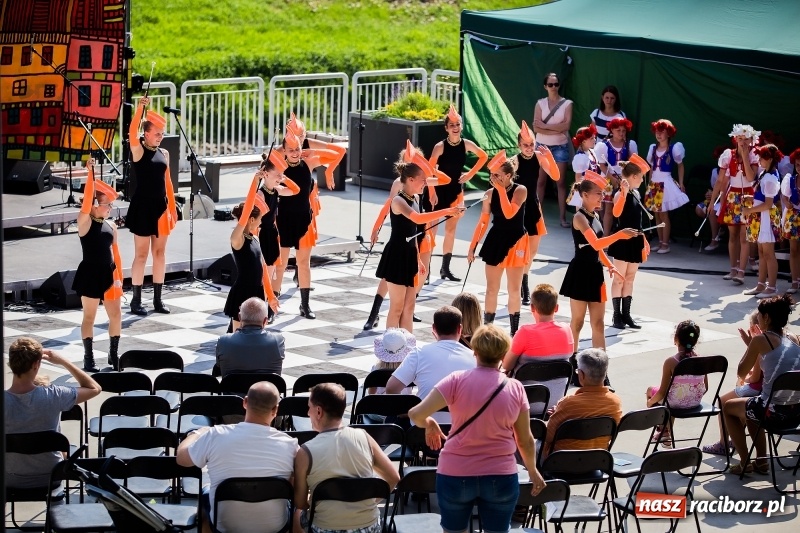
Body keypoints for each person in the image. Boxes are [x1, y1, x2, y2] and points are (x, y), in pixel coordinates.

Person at [408, 324, 546, 533]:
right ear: (503, 354)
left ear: (475, 351)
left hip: (456, 471)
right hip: (500, 474)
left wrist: (430, 423)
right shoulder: (516, 388)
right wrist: (533, 471)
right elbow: (525, 439)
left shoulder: (456, 380)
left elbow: (415, 414)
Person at [177, 382, 297, 533]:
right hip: (275, 528)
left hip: (225, 527)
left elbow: (181, 459)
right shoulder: (291, 445)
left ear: (245, 402)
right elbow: (296, 487)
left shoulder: (215, 435)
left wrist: (196, 433)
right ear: (275, 410)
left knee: (205, 494)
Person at [365, 143, 451, 330]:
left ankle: (407, 346)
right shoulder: (399, 199)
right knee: (396, 307)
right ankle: (390, 348)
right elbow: (417, 218)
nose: (425, 184)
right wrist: (448, 210)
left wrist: (427, 167)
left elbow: (415, 231)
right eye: (422, 180)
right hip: (396, 255)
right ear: (411, 179)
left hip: (410, 254)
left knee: (408, 307)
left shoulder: (415, 197)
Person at [293, 383, 400, 533]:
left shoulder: (305, 452)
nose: (307, 412)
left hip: (324, 528)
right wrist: (370, 502)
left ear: (318, 411)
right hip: (369, 528)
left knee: (297, 514)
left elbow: (300, 502)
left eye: (309, 407)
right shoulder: (365, 437)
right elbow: (393, 477)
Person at [5, 338, 102, 489]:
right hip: (52, 476)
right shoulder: (53, 395)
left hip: (10, 478)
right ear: (36, 364)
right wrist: (64, 362)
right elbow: (94, 388)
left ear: (11, 363)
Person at [559, 172, 637, 353]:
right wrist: (619, 235)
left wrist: (609, 265)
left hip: (595, 272)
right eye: (598, 193)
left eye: (602, 193)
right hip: (580, 272)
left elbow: (597, 249)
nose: (602, 197)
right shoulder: (579, 217)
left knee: (599, 323)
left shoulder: (595, 216)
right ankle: (571, 360)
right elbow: (594, 242)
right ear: (585, 195)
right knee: (577, 322)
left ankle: (600, 365)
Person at [723, 295, 800, 475]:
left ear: (766, 318)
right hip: (796, 414)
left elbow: (742, 372)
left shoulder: (761, 340)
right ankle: (761, 459)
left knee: (728, 407)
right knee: (752, 407)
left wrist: (751, 345)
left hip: (773, 412)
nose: (757, 318)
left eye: (759, 315)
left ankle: (744, 462)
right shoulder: (795, 339)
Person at [273, 131, 335, 319]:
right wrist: (280, 151)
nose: (294, 153)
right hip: (282, 219)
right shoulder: (278, 165)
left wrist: (309, 149)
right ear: (284, 150)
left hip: (304, 220)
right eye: (290, 149)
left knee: (304, 264)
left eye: (297, 149)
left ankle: (305, 305)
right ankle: (273, 305)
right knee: (280, 265)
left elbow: (336, 153)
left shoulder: (308, 162)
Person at [126, 97, 178, 316]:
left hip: (161, 208)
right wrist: (140, 109)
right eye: (156, 133)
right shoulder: (138, 151)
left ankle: (157, 299)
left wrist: (172, 209)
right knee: (141, 255)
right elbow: (130, 133)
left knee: (160, 253)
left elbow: (168, 183)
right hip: (142, 208)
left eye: (162, 133)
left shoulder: (163, 153)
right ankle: (136, 300)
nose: (160, 136)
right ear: (146, 133)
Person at [424, 104, 488, 282]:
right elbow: (428, 170)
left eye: (457, 124)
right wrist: (431, 191)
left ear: (461, 126)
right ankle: (426, 269)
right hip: (438, 189)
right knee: (432, 230)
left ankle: (445, 268)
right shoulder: (440, 147)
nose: (455, 127)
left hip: (455, 191)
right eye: (451, 125)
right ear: (446, 128)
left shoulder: (466, 144)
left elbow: (483, 156)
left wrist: (470, 174)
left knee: (451, 230)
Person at [468, 151, 529, 336]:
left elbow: (510, 213)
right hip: (496, 238)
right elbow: (483, 222)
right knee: (491, 288)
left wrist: (501, 190)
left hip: (516, 239)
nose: (493, 178)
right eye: (492, 174)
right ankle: (487, 328)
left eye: (497, 174)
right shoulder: (489, 193)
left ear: (509, 175)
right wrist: (472, 246)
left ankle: (514, 331)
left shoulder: (520, 190)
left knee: (513, 289)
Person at [72, 158, 123, 371]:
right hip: (90, 274)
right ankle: (88, 357)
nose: (111, 208)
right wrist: (90, 174)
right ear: (95, 205)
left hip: (109, 275)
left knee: (116, 315)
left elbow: (116, 253)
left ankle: (113, 352)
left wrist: (119, 277)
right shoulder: (85, 222)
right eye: (107, 205)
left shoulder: (111, 226)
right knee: (89, 317)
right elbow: (85, 204)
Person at [385, 306, 475, 424]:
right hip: (461, 432)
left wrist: (408, 411)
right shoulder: (475, 358)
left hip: (421, 431)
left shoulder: (419, 353)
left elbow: (391, 388)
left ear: (434, 329)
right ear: (460, 329)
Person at [502, 283, 574, 410]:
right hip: (555, 404)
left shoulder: (525, 332)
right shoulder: (567, 330)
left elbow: (506, 366)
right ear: (556, 308)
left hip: (523, 405)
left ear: (532, 308)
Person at [542, 348, 623, 458]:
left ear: (581, 374)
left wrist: (558, 415)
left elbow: (547, 437)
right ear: (605, 373)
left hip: (562, 461)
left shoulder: (568, 403)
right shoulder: (615, 402)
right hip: (597, 460)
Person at [223, 176, 279, 332]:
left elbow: (263, 270)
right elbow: (246, 211)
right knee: (236, 335)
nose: (261, 222)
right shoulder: (237, 239)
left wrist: (270, 295)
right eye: (260, 219)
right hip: (242, 292)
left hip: (257, 292)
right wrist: (255, 182)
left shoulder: (255, 238)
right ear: (251, 219)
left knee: (255, 333)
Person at [703, 310, 763, 457]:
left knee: (723, 401)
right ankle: (735, 439)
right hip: (769, 390)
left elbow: (753, 377)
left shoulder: (761, 343)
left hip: (758, 390)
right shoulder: (775, 340)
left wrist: (751, 347)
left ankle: (724, 443)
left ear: (755, 327)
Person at [645, 321, 707, 448]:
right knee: (675, 394)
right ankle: (665, 433)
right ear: (695, 341)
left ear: (675, 339)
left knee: (652, 390)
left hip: (674, 403)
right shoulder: (702, 360)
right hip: (695, 401)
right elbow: (706, 387)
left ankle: (663, 431)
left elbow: (662, 392)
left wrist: (650, 402)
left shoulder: (671, 362)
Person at [712, 124, 760, 285]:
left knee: (744, 236)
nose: (743, 142)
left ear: (752, 140)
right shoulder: (728, 155)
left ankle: (741, 272)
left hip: (747, 196)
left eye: (746, 139)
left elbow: (751, 177)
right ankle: (733, 268)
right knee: (732, 235)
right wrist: (715, 200)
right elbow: (722, 180)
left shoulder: (754, 155)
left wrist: (745, 156)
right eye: (740, 139)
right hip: (733, 197)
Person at [256, 150, 300, 322]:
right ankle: (260, 309)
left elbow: (296, 190)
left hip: (273, 234)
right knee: (263, 276)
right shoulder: (260, 194)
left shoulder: (276, 190)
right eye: (277, 174)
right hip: (263, 235)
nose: (280, 178)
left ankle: (267, 309)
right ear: (266, 174)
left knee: (270, 273)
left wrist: (284, 177)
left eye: (281, 175)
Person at [608, 161, 649, 330]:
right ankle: (616, 315)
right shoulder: (620, 194)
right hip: (623, 239)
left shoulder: (637, 193)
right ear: (633, 177)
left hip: (635, 238)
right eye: (640, 178)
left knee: (630, 278)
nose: (641, 181)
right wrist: (623, 193)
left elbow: (638, 220)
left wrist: (644, 238)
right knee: (619, 278)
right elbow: (616, 213)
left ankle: (627, 314)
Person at [742, 144, 783, 298]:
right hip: (760, 218)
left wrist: (749, 210)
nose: (759, 160)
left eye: (762, 157)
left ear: (771, 159)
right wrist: (751, 198)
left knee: (768, 253)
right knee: (761, 252)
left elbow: (768, 204)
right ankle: (761, 285)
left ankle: (772, 287)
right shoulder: (765, 174)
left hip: (766, 218)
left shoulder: (771, 177)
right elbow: (762, 198)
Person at [644, 119, 689, 254]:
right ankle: (660, 241)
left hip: (665, 183)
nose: (659, 134)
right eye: (657, 131)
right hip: (655, 183)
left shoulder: (673, 148)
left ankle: (665, 243)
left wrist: (681, 183)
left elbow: (680, 165)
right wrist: (649, 183)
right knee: (656, 214)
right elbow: (651, 167)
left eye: (662, 132)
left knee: (664, 215)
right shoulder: (653, 148)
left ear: (668, 134)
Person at [534, 72, 572, 227]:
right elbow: (536, 127)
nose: (554, 87)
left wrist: (546, 127)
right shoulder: (540, 103)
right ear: (545, 87)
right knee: (541, 181)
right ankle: (536, 217)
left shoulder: (567, 104)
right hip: (542, 146)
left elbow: (566, 126)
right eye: (550, 84)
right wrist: (556, 129)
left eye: (556, 84)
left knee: (561, 183)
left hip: (560, 147)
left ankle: (562, 218)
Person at [514, 121, 546, 306]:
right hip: (520, 207)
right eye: (525, 144)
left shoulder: (539, 158)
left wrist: (548, 160)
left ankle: (525, 280)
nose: (528, 148)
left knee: (533, 250)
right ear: (519, 145)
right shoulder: (515, 160)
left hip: (534, 205)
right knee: (520, 249)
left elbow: (556, 176)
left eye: (531, 144)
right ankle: (520, 285)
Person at [216, 297, 285, 378]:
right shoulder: (277, 341)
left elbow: (218, 367)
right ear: (265, 320)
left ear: (240, 318)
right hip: (266, 390)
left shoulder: (224, 341)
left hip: (234, 390)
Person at [596, 117, 639, 237]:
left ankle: (619, 233)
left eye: (623, 131)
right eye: (618, 130)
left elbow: (632, 162)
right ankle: (605, 236)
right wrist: (612, 178)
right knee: (608, 209)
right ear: (611, 130)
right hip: (609, 179)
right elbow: (602, 165)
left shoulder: (629, 144)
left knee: (622, 208)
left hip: (624, 180)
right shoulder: (604, 145)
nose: (621, 133)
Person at [696, 146, 726, 252]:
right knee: (699, 209)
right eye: (718, 157)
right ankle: (719, 228)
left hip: (727, 200)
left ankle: (714, 239)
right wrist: (710, 194)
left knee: (712, 211)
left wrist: (716, 193)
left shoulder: (731, 171)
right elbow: (714, 187)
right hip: (717, 198)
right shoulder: (715, 171)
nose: (720, 160)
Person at [780, 147, 800, 293]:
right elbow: (784, 195)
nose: (799, 168)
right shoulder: (791, 179)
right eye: (798, 165)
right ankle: (794, 281)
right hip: (793, 217)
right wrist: (786, 201)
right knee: (793, 250)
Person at [569, 123, 602, 210]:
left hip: (592, 190)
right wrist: (583, 195)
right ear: (583, 141)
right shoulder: (580, 157)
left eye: (594, 137)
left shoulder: (592, 152)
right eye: (592, 138)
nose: (594, 140)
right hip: (584, 192)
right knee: (582, 215)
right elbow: (578, 178)